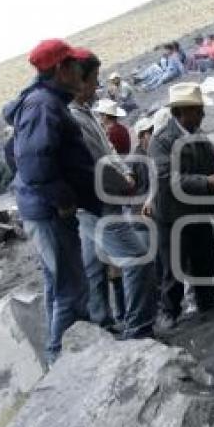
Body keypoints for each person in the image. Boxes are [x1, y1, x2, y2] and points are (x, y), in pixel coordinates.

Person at [2, 38, 99, 364]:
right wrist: (64, 200)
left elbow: (21, 158)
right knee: (71, 289)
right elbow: (33, 165)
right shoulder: (43, 105)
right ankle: (65, 360)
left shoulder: (41, 101)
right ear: (61, 69)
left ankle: (57, 355)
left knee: (58, 284)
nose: (78, 72)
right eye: (73, 66)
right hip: (50, 211)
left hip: (42, 208)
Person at [68, 53, 156, 339]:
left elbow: (109, 152)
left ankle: (105, 321)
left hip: (91, 203)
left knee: (95, 266)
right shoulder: (75, 117)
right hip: (100, 202)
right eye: (93, 81)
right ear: (78, 82)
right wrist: (124, 181)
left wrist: (123, 174)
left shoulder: (86, 113)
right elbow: (97, 162)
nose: (97, 88)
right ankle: (138, 329)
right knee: (137, 257)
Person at [147, 82, 214, 329]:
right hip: (172, 215)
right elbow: (168, 178)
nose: (202, 114)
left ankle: (206, 300)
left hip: (199, 209)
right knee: (173, 268)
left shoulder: (199, 135)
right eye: (198, 110)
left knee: (205, 259)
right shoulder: (161, 141)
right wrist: (207, 182)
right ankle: (170, 311)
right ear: (183, 111)